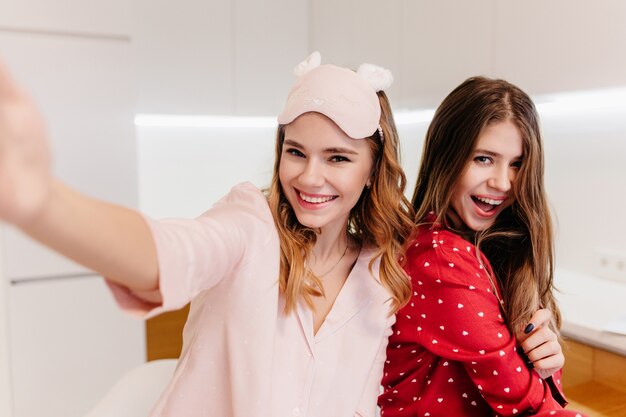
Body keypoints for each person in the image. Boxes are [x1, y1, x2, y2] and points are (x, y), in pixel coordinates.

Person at [0, 52, 414, 417]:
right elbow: (170, 252)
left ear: (373, 170)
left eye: (337, 157)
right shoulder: (250, 227)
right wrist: (42, 203)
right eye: (296, 152)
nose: (309, 176)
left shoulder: (384, 275)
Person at [379, 77, 586, 417]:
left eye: (516, 164)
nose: (503, 183)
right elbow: (525, 404)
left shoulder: (483, 249)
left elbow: (533, 395)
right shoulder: (439, 257)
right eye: (484, 159)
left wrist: (545, 366)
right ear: (446, 157)